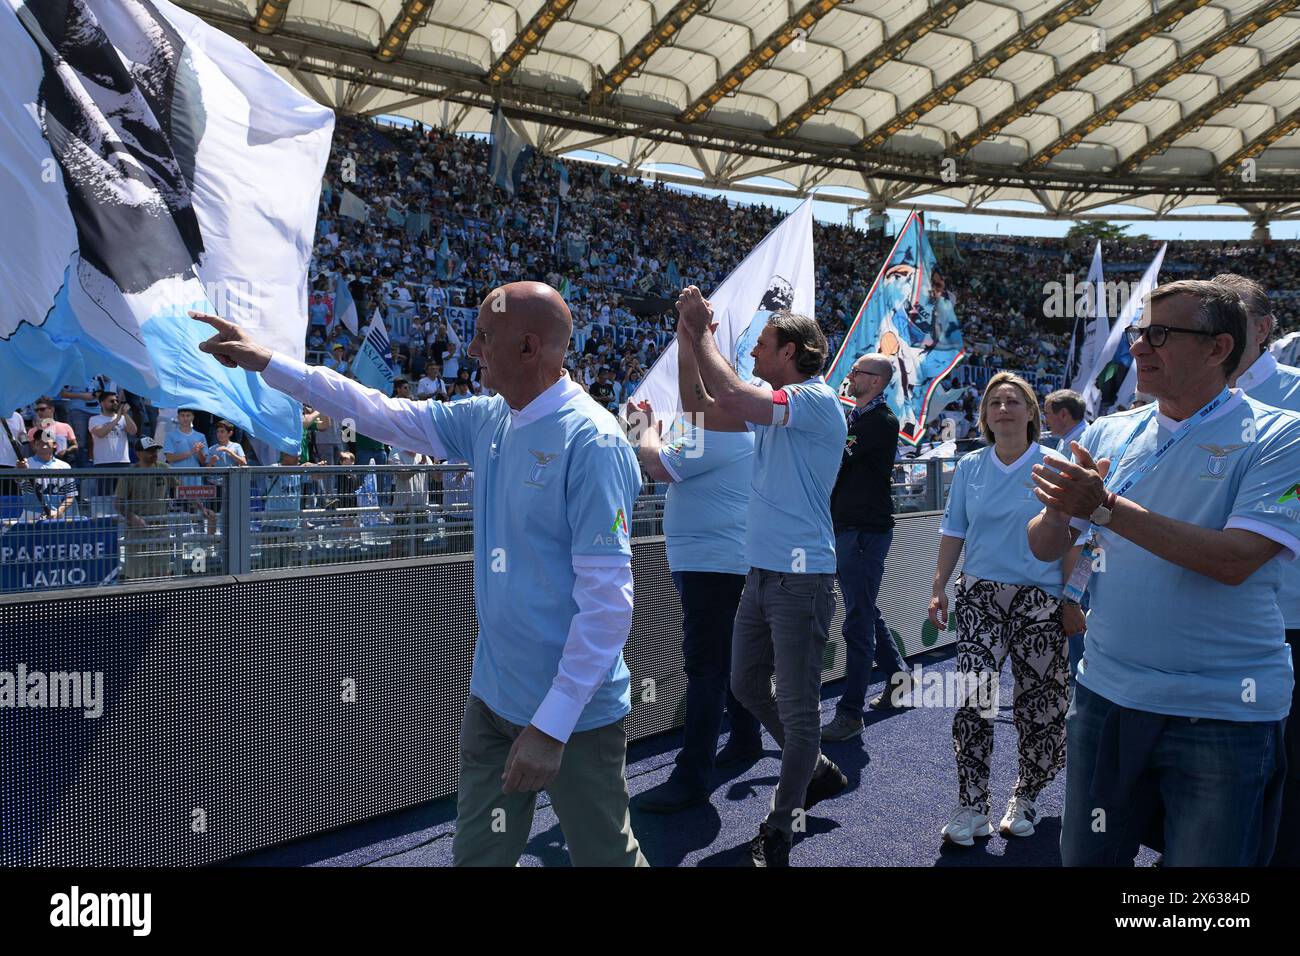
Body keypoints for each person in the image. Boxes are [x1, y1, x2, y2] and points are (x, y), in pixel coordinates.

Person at [192, 280, 648, 867]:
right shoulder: (491, 418)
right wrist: (269, 363)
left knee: (606, 855)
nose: (472, 348)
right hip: (493, 697)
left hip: (574, 715)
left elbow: (609, 608)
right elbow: (382, 413)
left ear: (529, 348)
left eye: (485, 337)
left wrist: (552, 727)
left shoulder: (595, 443)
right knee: (478, 856)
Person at [1028, 280, 1300, 866]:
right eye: (1137, 333)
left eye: (1160, 334)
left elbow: (1233, 560)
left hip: (1222, 710)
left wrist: (1101, 507)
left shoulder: (1284, 434)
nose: (1139, 348)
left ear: (1217, 347)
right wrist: (1059, 508)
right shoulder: (1108, 431)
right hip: (1105, 696)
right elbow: (1045, 545)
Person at [675, 285, 849, 867]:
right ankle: (815, 767)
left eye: (762, 345)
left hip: (802, 578)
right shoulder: (779, 404)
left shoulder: (817, 400)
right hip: (762, 574)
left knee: (798, 711)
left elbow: (731, 392)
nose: (751, 353)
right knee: (746, 685)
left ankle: (781, 824)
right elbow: (701, 407)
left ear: (793, 352)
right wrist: (685, 337)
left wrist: (703, 330)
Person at [931, 372, 1080, 846]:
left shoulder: (1056, 466)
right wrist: (938, 587)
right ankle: (972, 804)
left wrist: (1072, 598)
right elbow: (954, 531)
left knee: (1039, 704)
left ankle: (1027, 795)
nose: (1003, 409)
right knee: (973, 699)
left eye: (1014, 401)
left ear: (1033, 412)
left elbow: (1080, 539)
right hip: (978, 597)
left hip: (1040, 601)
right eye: (995, 402)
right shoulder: (971, 466)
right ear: (985, 414)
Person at [621, 318, 762, 815]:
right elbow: (691, 394)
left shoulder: (719, 434)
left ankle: (692, 776)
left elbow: (657, 465)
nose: (702, 396)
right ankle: (745, 740)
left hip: (710, 565)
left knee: (705, 668)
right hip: (719, 561)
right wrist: (688, 342)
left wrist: (646, 430)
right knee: (725, 663)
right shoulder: (730, 427)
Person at [1216, 272, 1300, 867]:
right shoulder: (1187, 401)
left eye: (1230, 320)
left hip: (1287, 617)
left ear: (1264, 329)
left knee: (1287, 771)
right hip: (1207, 619)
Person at [822, 353, 910, 741]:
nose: (850, 375)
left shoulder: (880, 421)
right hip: (849, 528)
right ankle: (898, 679)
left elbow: (836, 460)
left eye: (858, 371)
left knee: (858, 619)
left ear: (876, 381)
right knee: (865, 609)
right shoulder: (860, 418)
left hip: (862, 531)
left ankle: (851, 712)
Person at [115, 437, 177, 580]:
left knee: (162, 573)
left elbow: (182, 491)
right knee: (136, 574)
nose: (154, 453)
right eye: (149, 450)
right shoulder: (129, 473)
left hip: (161, 528)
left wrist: (201, 507)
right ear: (138, 454)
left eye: (155, 449)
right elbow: (118, 502)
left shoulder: (164, 468)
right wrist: (132, 517)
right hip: (137, 530)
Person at [88, 391, 136, 503]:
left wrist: (126, 415)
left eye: (116, 401)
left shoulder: (123, 418)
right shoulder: (94, 419)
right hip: (103, 463)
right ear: (102, 403)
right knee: (105, 499)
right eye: (111, 401)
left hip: (123, 463)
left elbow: (133, 431)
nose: (115, 403)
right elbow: (100, 433)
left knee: (123, 497)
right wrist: (117, 419)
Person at [16, 435, 78, 520]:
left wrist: (59, 512)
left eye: (46, 440)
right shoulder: (26, 464)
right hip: (30, 516)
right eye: (39, 441)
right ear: (35, 445)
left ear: (55, 444)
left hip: (55, 516)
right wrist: (20, 470)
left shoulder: (65, 466)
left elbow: (70, 495)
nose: (42, 442)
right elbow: (19, 480)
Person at [26, 398, 78, 464]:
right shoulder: (33, 431)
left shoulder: (65, 426)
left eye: (42, 409)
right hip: (42, 464)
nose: (39, 412)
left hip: (64, 461)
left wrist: (66, 451)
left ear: (52, 409)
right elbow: (34, 450)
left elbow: (75, 446)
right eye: (37, 410)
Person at [1043, 389, 1086, 454]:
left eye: (1047, 414)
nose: (1045, 421)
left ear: (1063, 414)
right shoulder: (1065, 440)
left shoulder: (1086, 442)